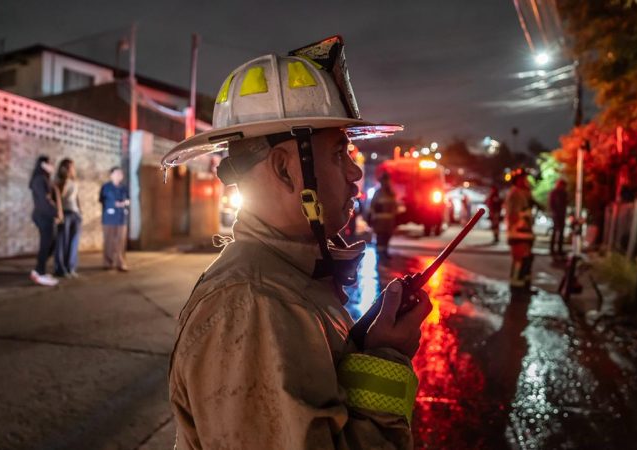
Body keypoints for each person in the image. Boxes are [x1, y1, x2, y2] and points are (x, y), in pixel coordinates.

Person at [163, 36, 432, 450]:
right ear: (286, 169)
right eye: (339, 153)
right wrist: (385, 363)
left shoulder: (286, 277)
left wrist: (362, 347)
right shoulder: (252, 303)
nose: (355, 173)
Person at [29, 155, 62, 287]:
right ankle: (39, 272)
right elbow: (44, 201)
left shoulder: (45, 179)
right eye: (50, 164)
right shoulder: (39, 180)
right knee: (46, 244)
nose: (53, 166)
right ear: (43, 165)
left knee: (51, 243)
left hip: (46, 215)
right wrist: (55, 213)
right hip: (43, 216)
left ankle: (38, 270)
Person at [505, 168, 536, 289]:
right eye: (523, 178)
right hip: (518, 232)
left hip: (525, 231)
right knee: (519, 258)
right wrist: (524, 215)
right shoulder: (514, 193)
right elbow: (513, 213)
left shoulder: (524, 192)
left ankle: (524, 282)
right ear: (517, 180)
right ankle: (516, 284)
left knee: (527, 258)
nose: (526, 181)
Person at [54, 158, 82, 277]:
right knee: (62, 241)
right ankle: (61, 269)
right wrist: (58, 215)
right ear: (65, 169)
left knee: (74, 242)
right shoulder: (60, 182)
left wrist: (80, 211)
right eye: (71, 167)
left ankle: (71, 267)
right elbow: (59, 199)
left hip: (75, 214)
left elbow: (76, 198)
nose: (73, 169)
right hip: (65, 213)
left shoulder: (75, 182)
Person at [99, 167, 129, 271]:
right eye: (117, 173)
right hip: (109, 218)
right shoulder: (106, 187)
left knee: (121, 242)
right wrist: (114, 204)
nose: (119, 175)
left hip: (121, 218)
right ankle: (108, 263)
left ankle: (121, 263)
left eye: (120, 173)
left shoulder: (124, 188)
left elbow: (128, 199)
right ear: (111, 175)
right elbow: (102, 200)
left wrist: (125, 203)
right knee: (109, 241)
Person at [369, 171, 398, 258]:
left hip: (388, 223)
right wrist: (372, 218)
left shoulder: (391, 194)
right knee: (380, 239)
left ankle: (384, 254)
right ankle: (380, 256)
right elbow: (372, 206)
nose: (384, 183)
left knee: (386, 238)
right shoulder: (377, 193)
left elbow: (394, 207)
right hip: (380, 222)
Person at [549, 179, 569, 256]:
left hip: (561, 214)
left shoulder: (563, 193)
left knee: (560, 232)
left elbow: (565, 202)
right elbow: (552, 204)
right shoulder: (555, 192)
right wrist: (554, 212)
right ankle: (553, 249)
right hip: (556, 214)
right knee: (555, 231)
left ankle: (559, 249)